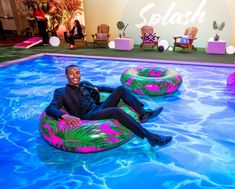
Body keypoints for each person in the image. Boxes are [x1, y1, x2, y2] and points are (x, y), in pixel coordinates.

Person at [46, 65, 173, 147]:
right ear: (66, 76)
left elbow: (100, 88)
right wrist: (64, 115)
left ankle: (143, 113)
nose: (75, 76)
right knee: (115, 111)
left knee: (120, 89)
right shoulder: (61, 91)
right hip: (88, 115)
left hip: (98, 107)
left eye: (77, 73)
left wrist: (116, 92)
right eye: (71, 73)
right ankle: (151, 137)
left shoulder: (84, 84)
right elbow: (50, 108)